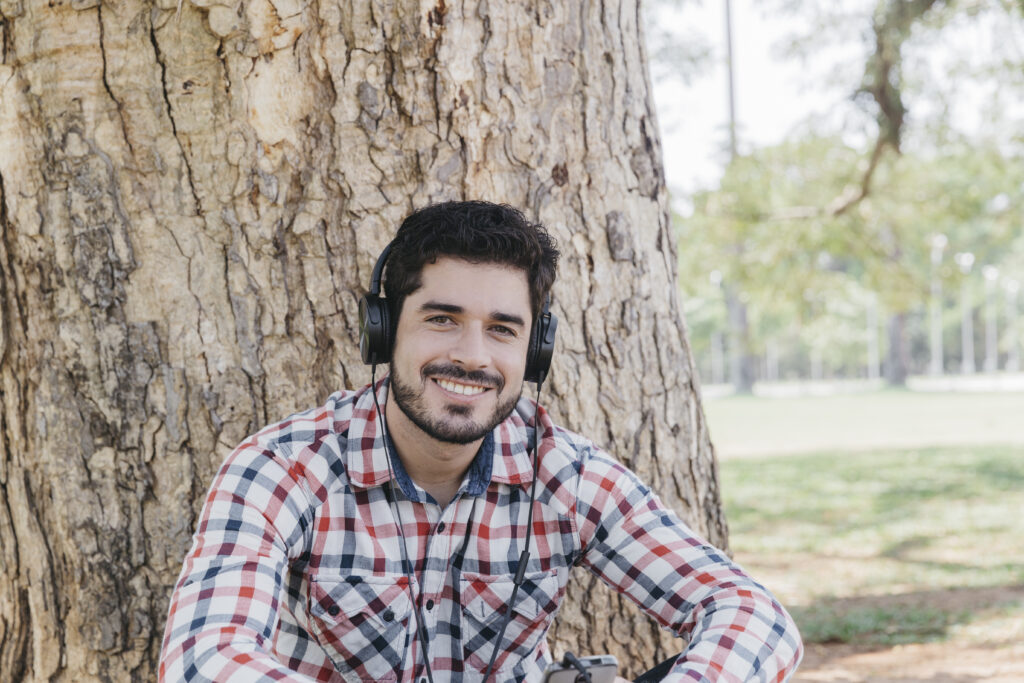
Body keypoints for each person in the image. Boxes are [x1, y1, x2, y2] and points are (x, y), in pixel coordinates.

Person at [159, 201, 802, 682]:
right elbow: (203, 658)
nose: (472, 356)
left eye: (502, 329)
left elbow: (753, 616)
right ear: (383, 331)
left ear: (534, 350)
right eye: (442, 319)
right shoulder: (281, 467)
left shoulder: (566, 474)